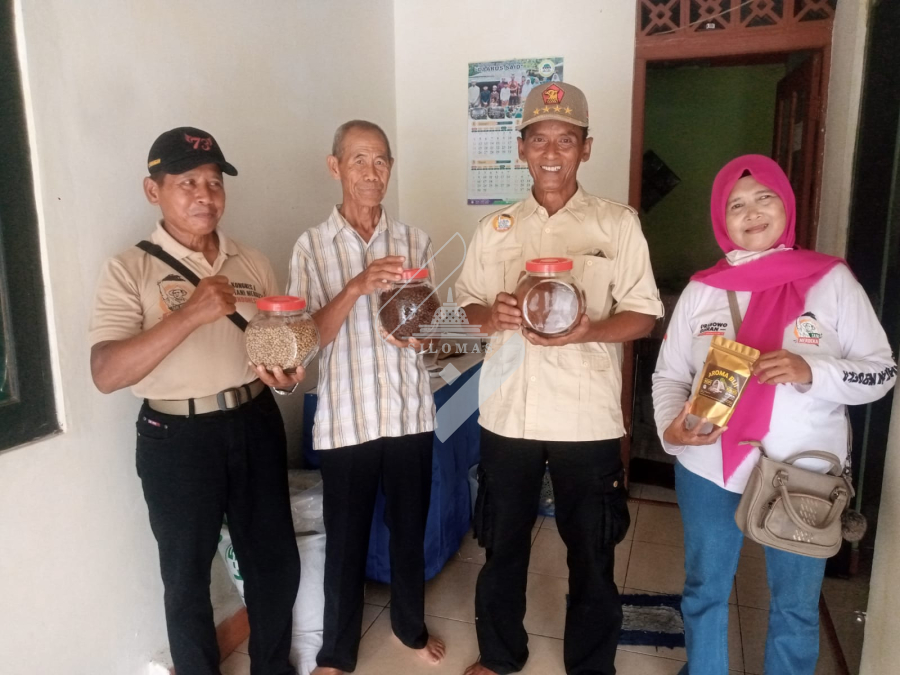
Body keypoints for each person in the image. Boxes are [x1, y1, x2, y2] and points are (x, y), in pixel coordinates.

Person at [652, 155, 897, 675]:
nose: (752, 212)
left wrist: (812, 371)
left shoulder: (831, 281)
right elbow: (668, 376)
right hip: (709, 468)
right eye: (736, 204)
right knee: (703, 592)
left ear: (785, 205)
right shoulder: (702, 289)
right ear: (722, 219)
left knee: (795, 605)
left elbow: (882, 373)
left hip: (803, 473)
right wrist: (673, 429)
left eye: (764, 197)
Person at [456, 82, 664, 675]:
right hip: (509, 413)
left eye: (566, 140)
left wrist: (590, 329)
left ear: (586, 148)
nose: (552, 152)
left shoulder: (616, 225)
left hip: (585, 415)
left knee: (593, 550)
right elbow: (465, 307)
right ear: (521, 148)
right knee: (502, 543)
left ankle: (591, 666)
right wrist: (490, 315)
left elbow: (644, 314)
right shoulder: (494, 228)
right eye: (540, 139)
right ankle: (500, 657)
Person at [89, 127, 304, 675]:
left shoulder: (252, 261)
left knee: (274, 562)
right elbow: (106, 373)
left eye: (213, 182)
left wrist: (284, 378)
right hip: (176, 437)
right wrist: (190, 314)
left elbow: (269, 346)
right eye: (187, 182)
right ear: (153, 190)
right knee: (185, 577)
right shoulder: (129, 268)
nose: (204, 195)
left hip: (254, 419)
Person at [288, 120, 446, 675]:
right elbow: (304, 340)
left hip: (408, 412)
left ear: (390, 168)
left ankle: (409, 628)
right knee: (346, 542)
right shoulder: (311, 246)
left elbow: (435, 328)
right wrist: (357, 286)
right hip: (346, 418)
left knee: (409, 532)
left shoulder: (415, 242)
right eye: (358, 159)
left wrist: (427, 335)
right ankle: (336, 654)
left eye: (380, 160)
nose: (371, 172)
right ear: (335, 166)